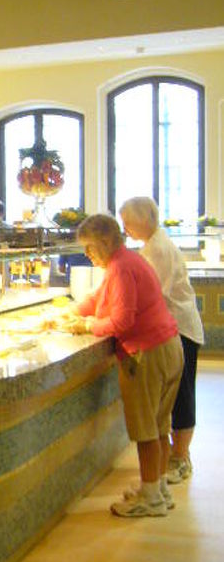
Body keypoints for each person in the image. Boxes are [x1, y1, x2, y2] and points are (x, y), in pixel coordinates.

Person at [66, 213, 183, 518]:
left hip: (147, 354)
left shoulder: (120, 268)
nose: (87, 254)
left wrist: (88, 326)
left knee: (145, 429)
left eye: (90, 247)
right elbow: (98, 299)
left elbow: (121, 321)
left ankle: (150, 499)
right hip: (168, 346)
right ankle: (158, 488)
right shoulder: (126, 261)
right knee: (159, 425)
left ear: (106, 242)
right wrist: (72, 312)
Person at [119, 197, 204, 484]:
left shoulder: (158, 249)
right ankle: (175, 456)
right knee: (173, 397)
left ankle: (181, 457)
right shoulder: (152, 245)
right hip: (172, 329)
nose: (125, 228)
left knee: (182, 396)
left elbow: (152, 293)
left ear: (144, 219)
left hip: (181, 329)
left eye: (128, 222)